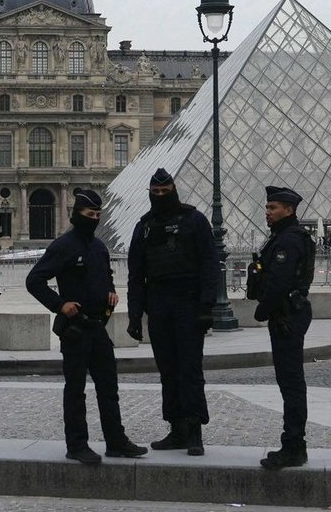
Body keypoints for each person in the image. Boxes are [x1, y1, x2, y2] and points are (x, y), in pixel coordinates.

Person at [25, 188, 148, 465]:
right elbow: (34, 280)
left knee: (109, 387)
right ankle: (77, 444)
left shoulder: (99, 246)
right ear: (76, 214)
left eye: (97, 214)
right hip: (75, 329)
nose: (94, 218)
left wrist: (111, 292)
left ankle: (116, 441)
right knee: (76, 389)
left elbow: (105, 275)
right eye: (89, 214)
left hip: (97, 327)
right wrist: (59, 305)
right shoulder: (63, 245)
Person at [126, 168, 217, 456]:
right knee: (168, 370)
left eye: (166, 192)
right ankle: (176, 429)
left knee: (190, 368)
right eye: (157, 193)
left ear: (174, 190)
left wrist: (206, 307)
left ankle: (194, 431)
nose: (162, 196)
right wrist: (134, 315)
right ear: (150, 193)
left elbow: (210, 266)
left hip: (188, 305)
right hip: (160, 305)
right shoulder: (144, 227)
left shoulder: (195, 220)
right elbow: (135, 274)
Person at [246, 186, 316, 470]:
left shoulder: (288, 241)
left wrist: (262, 311)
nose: (267, 212)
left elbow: (279, 283)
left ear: (289, 210)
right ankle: (294, 442)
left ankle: (294, 445)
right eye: (267, 207)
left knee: (291, 382)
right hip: (288, 314)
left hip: (286, 316)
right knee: (289, 381)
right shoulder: (284, 237)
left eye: (273, 207)